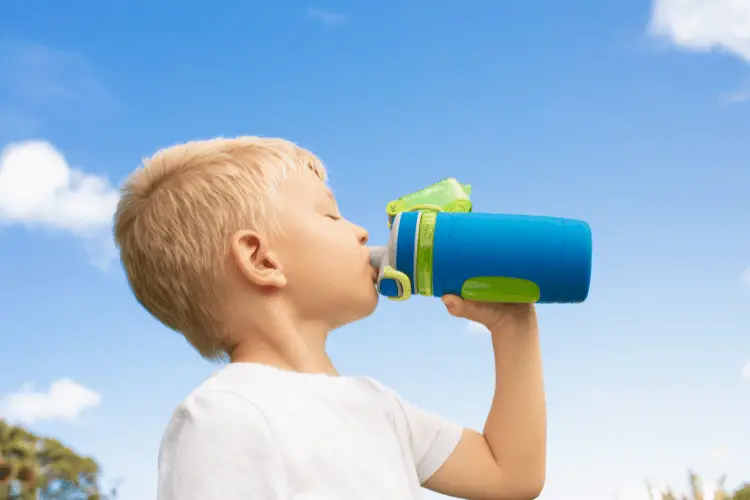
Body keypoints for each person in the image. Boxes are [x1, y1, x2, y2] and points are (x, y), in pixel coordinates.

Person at [114, 137, 547, 500]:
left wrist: (512, 326)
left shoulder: (380, 407)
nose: (360, 232)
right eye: (331, 215)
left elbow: (510, 475)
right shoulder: (224, 416)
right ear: (261, 259)